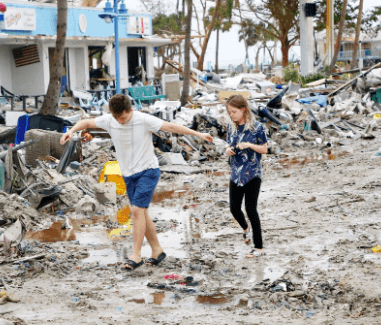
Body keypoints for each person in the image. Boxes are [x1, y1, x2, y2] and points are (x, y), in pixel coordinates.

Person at [60, 94, 214, 270]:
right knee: (142, 213)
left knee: (136, 211)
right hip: (128, 174)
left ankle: (136, 255)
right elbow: (86, 123)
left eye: (123, 117)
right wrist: (71, 131)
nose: (120, 121)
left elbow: (171, 126)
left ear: (130, 110)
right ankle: (157, 250)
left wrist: (198, 134)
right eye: (116, 118)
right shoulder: (111, 120)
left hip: (148, 171)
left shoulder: (143, 119)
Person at [224, 95, 267, 258]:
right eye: (229, 112)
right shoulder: (231, 127)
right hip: (236, 173)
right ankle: (245, 228)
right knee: (234, 208)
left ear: (243, 109)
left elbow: (264, 149)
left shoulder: (257, 128)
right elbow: (229, 145)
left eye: (234, 111)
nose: (231, 115)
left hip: (252, 173)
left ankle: (259, 248)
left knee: (250, 209)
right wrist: (228, 150)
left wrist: (249, 145)